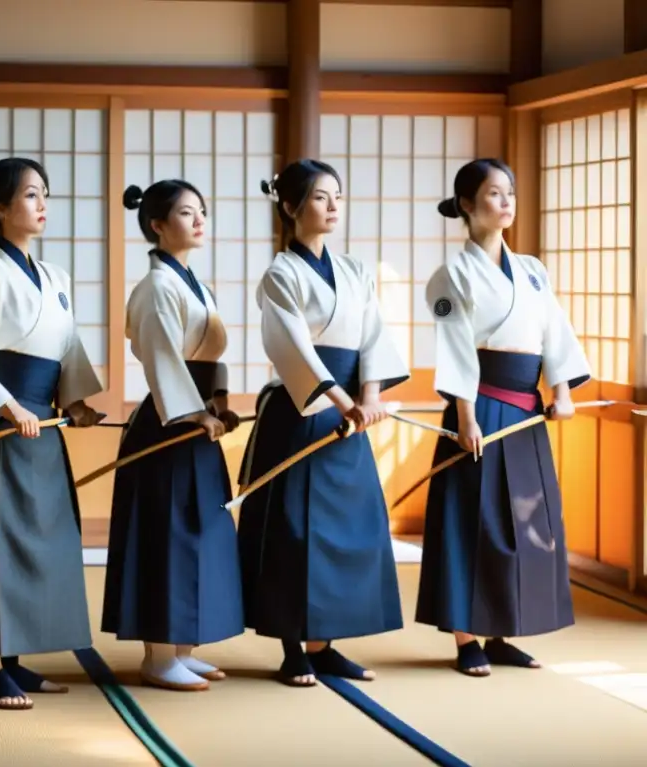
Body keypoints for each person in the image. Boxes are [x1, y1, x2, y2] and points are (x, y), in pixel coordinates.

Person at [0, 157, 104, 711]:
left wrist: (74, 399)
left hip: (42, 423)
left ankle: (17, 658)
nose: (42, 204)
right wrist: (7, 406)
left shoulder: (55, 278)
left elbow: (67, 349)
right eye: (30, 195)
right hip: (4, 425)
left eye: (44, 194)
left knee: (42, 544)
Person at [237, 159, 409, 687]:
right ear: (290, 207)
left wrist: (371, 395)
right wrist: (340, 398)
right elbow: (291, 345)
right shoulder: (280, 274)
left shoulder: (355, 271)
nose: (333, 206)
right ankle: (294, 648)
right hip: (301, 411)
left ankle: (326, 643)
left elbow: (375, 336)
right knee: (295, 531)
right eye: (319, 197)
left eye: (338, 196)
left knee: (346, 529)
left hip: (349, 416)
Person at [417, 158, 589, 676]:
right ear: (467, 205)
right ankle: (468, 637)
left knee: (528, 521)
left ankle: (502, 630)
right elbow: (455, 347)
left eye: (509, 192)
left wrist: (561, 391)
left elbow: (554, 333)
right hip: (480, 409)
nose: (506, 201)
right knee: (476, 521)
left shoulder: (532, 269)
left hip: (527, 412)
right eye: (493, 193)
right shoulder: (451, 274)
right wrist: (465, 417)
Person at [101, 181, 243, 692]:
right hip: (169, 425)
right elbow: (162, 356)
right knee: (168, 535)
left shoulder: (193, 285)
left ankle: (183, 645)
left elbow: (212, 359)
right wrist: (192, 414)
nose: (199, 219)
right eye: (187, 212)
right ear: (158, 225)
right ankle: (158, 655)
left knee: (200, 531)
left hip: (197, 420)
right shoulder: (156, 287)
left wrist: (220, 405)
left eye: (202, 210)